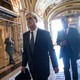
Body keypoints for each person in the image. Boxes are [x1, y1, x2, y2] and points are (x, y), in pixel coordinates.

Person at [21, 12, 59, 80]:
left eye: (30, 18)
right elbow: (25, 52)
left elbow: (51, 50)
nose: (28, 21)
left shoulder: (45, 34)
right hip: (32, 67)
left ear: (35, 20)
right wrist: (23, 65)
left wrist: (55, 65)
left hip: (43, 66)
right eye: (27, 19)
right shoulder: (25, 35)